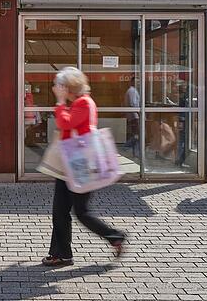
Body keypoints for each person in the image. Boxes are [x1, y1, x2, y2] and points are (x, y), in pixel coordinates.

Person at [42, 67, 126, 267]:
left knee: (81, 212)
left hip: (79, 165)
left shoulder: (84, 103)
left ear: (69, 88)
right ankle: (61, 254)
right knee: (60, 211)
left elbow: (65, 124)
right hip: (70, 164)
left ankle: (115, 236)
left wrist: (60, 102)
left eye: (60, 86)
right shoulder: (81, 102)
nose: (56, 89)